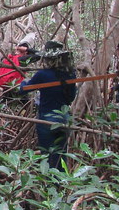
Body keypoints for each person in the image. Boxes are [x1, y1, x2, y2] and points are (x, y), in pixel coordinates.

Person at [20, 41, 77, 170]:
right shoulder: (70, 74)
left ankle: (47, 185)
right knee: (61, 155)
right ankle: (60, 185)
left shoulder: (42, 75)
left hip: (46, 120)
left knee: (46, 155)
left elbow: (23, 90)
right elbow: (72, 97)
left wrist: (23, 82)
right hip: (64, 119)